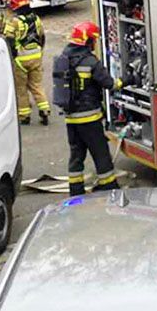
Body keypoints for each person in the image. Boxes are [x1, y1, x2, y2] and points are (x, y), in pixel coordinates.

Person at [53, 21, 123, 195]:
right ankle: (109, 188)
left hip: (71, 119)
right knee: (101, 155)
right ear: (87, 40)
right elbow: (109, 84)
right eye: (93, 40)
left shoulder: (64, 58)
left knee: (76, 157)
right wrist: (126, 80)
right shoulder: (91, 62)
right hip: (90, 119)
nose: (94, 43)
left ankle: (76, 192)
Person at [3, 0, 50, 124]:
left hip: (20, 59)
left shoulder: (13, 22)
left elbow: (9, 40)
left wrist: (13, 56)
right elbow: (42, 36)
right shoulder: (36, 19)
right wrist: (40, 51)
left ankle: (24, 116)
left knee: (21, 88)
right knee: (36, 85)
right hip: (36, 56)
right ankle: (44, 109)